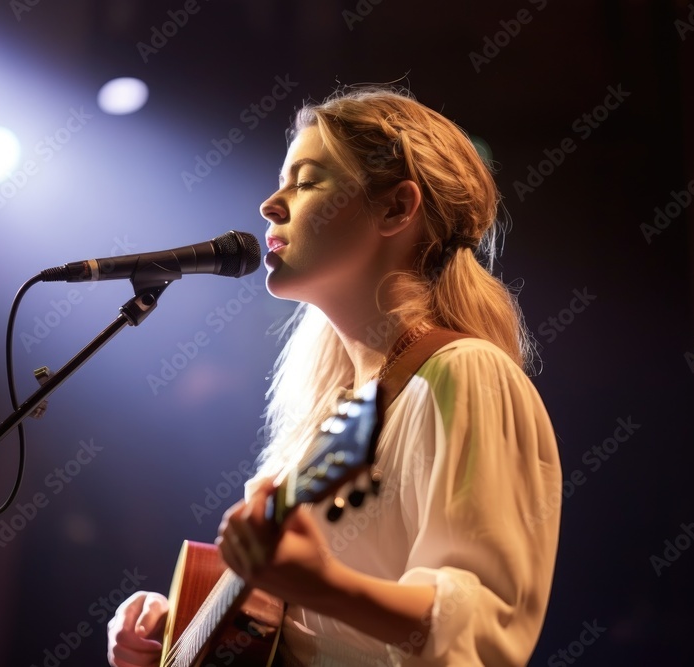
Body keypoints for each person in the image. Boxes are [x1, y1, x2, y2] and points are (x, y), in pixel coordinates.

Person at [107, 86, 562, 666]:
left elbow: (483, 628)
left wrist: (324, 585)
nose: (272, 203)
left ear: (397, 208)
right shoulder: (329, 411)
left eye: (306, 180)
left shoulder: (463, 374)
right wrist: (177, 628)